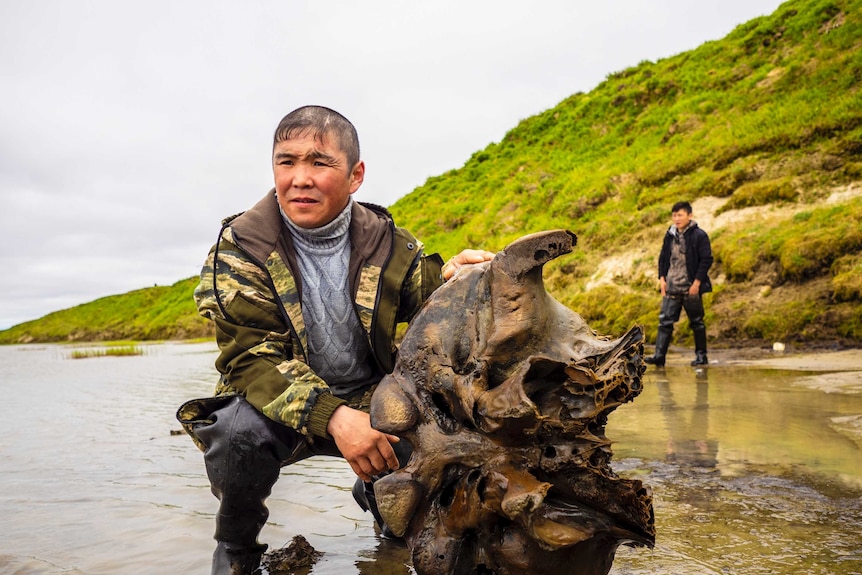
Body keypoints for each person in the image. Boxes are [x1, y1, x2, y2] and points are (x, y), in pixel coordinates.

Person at [176, 105, 494, 575]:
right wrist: (335, 418)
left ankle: (386, 512)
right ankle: (236, 550)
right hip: (272, 403)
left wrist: (457, 281)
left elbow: (428, 307)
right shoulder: (240, 247)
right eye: (287, 162)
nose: (299, 178)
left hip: (372, 398)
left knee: (440, 440)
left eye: (319, 162)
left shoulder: (389, 243)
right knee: (236, 437)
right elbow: (252, 360)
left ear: (355, 174)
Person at [644, 201, 713, 367]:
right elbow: (663, 258)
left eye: (680, 215)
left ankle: (701, 356)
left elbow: (706, 260)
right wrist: (662, 279)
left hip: (691, 287)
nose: (676, 218)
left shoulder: (699, 235)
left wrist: (697, 283)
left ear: (689, 215)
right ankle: (659, 356)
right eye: (674, 215)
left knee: (697, 322)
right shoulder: (669, 234)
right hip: (672, 286)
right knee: (664, 322)